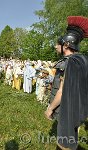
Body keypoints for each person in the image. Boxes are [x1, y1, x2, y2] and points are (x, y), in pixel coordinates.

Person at [45, 16, 88, 149]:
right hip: (79, 109)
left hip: (66, 110)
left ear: (67, 45)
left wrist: (50, 109)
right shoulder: (83, 60)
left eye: (58, 44)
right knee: (72, 137)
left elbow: (62, 91)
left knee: (64, 144)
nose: (56, 46)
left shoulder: (67, 63)